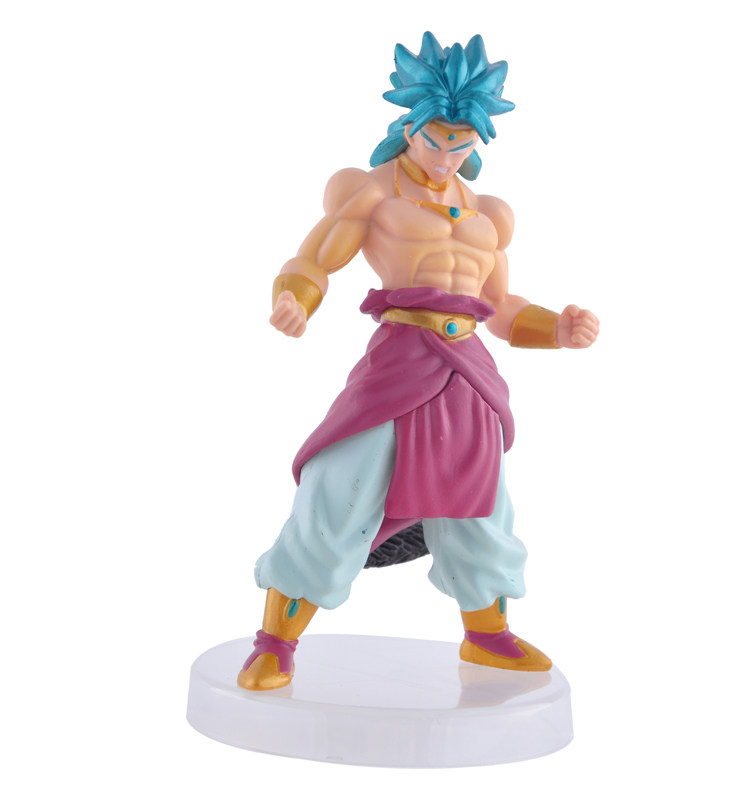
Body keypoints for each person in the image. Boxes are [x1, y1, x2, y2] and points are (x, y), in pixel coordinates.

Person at [238, 33, 599, 691]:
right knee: (339, 486)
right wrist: (293, 301)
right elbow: (312, 261)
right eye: (436, 140)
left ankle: (486, 634)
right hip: (401, 357)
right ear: (410, 126)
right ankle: (275, 641)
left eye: (462, 144)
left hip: (469, 367)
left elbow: (502, 307)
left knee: (480, 503)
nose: (446, 156)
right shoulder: (370, 192)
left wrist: (557, 329)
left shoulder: (489, 214)